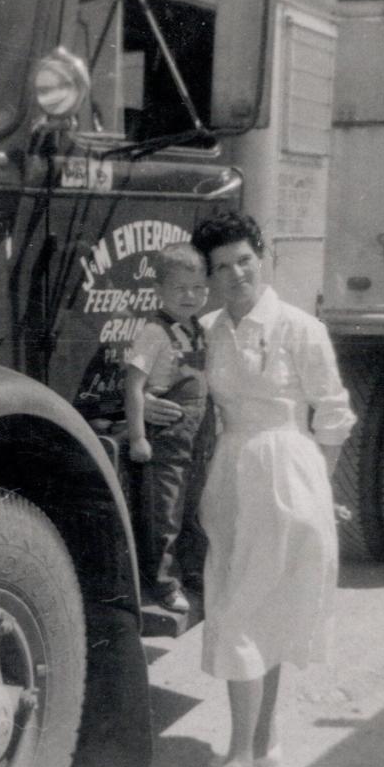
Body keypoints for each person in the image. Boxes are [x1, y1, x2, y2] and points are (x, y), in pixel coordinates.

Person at [189, 212, 356, 767]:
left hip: (286, 475)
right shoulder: (209, 330)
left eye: (244, 261)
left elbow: (332, 415)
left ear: (262, 256)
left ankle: (239, 763)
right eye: (221, 267)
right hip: (231, 475)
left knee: (241, 614)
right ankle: (262, 741)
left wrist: (314, 487)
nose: (236, 275)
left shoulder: (299, 328)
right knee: (258, 609)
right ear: (208, 276)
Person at [125, 243, 214, 613]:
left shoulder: (197, 330)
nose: (190, 296)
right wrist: (138, 437)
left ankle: (192, 572)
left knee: (194, 509)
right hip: (167, 440)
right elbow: (132, 384)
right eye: (180, 289)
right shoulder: (154, 333)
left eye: (198, 288)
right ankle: (163, 584)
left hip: (197, 437)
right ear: (159, 292)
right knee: (166, 514)